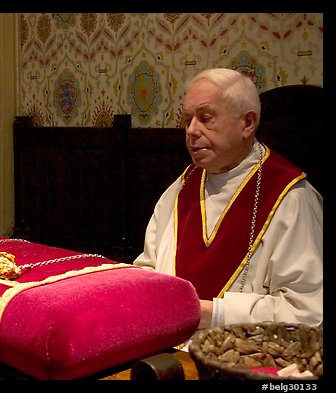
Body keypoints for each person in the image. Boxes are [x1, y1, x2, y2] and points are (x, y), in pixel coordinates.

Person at [133, 68, 323, 330]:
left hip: (242, 356)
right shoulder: (183, 186)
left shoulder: (290, 197)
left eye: (205, 117)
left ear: (247, 123)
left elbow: (308, 311)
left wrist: (214, 314)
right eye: (187, 120)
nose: (191, 131)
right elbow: (148, 268)